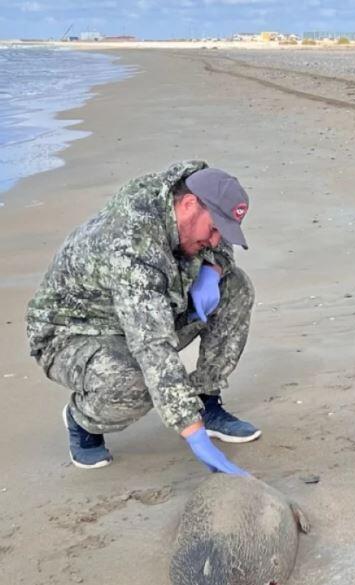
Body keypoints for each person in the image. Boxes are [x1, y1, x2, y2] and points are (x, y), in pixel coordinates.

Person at [26, 161, 259, 475]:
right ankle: (83, 420)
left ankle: (206, 398)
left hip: (146, 302)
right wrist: (192, 433)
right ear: (189, 205)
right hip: (75, 331)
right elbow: (152, 345)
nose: (217, 240)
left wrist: (213, 269)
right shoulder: (132, 243)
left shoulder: (192, 192)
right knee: (135, 382)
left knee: (236, 287)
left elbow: (221, 245)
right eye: (214, 229)